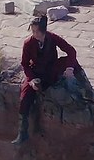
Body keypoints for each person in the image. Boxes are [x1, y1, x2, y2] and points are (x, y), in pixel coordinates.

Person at [13, 15, 83, 145]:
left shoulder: (52, 38)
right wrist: (31, 80)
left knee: (72, 62)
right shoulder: (28, 43)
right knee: (25, 96)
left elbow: (71, 50)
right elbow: (25, 64)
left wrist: (69, 68)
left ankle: (85, 88)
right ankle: (22, 133)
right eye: (33, 31)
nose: (35, 34)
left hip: (51, 70)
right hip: (36, 73)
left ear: (43, 30)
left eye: (37, 31)